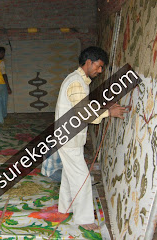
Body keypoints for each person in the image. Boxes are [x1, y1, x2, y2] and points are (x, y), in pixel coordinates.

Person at [55, 46, 128, 231]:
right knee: (82, 179)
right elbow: (84, 114)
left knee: (70, 174)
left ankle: (65, 207)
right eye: (99, 66)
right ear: (89, 62)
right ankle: (83, 219)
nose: (100, 70)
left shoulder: (78, 80)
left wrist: (104, 107)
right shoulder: (77, 82)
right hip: (68, 138)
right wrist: (108, 112)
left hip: (68, 136)